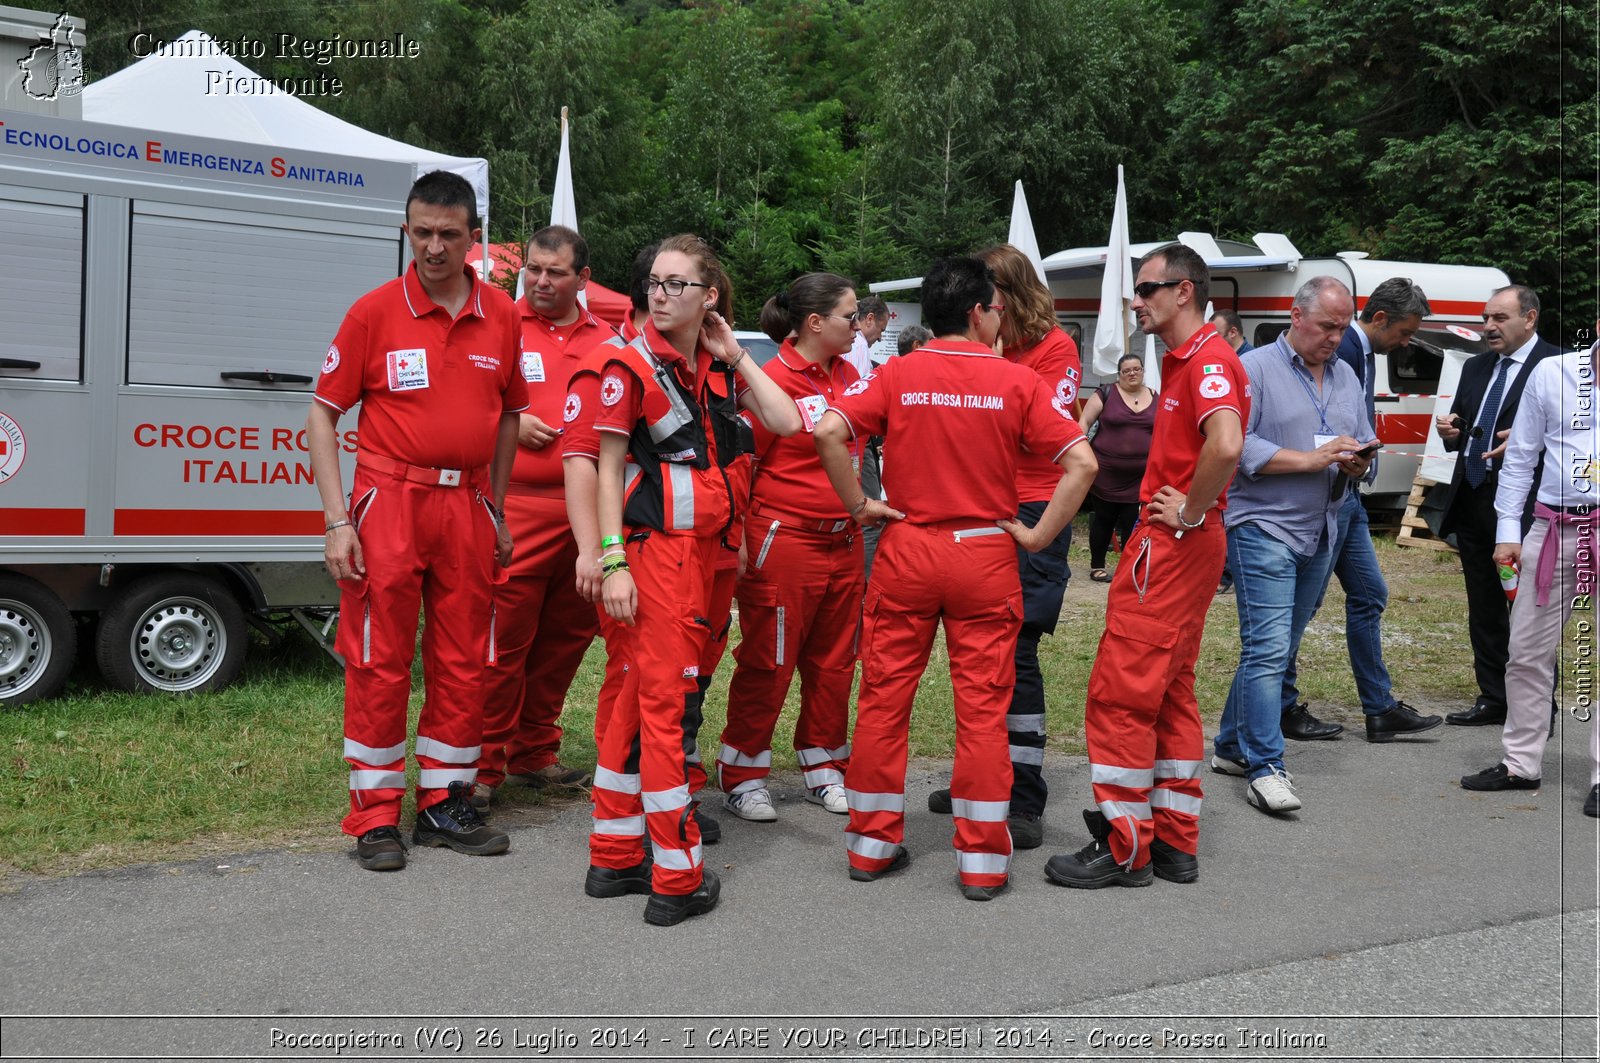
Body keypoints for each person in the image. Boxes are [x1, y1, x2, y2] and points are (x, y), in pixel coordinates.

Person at [814, 256, 1096, 901]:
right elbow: (1080, 462)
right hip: (984, 554)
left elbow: (831, 431)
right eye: (997, 308)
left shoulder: (899, 373)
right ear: (977, 312)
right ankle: (981, 862)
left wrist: (859, 505)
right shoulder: (1016, 381)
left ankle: (872, 844)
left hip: (908, 548)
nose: (1001, 318)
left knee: (884, 701)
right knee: (982, 709)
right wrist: (1038, 534)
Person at [307, 170, 526, 872]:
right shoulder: (374, 311)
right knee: (380, 659)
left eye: (449, 234)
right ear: (406, 230)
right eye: (422, 231)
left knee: (466, 659)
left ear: (473, 237)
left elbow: (512, 415)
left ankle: (442, 803)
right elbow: (322, 413)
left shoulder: (502, 314)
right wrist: (339, 520)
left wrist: (494, 505)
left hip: (465, 507)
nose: (434, 246)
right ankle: (374, 816)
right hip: (389, 504)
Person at [585, 234, 800, 926]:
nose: (660, 292)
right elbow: (604, 469)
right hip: (656, 557)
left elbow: (786, 422)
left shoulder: (712, 365)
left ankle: (614, 855)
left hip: (702, 557)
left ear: (710, 297)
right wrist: (612, 559)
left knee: (633, 703)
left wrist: (735, 351)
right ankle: (676, 878)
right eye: (655, 280)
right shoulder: (628, 364)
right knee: (662, 708)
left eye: (678, 283)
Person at [1044, 243, 1244, 889]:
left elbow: (1228, 442)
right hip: (1184, 545)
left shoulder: (1208, 358)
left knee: (1122, 694)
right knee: (1170, 692)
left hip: (1174, 544)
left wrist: (1189, 511)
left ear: (1183, 290)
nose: (1136, 299)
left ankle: (1125, 843)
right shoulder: (1188, 360)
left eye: (1147, 287)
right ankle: (1172, 841)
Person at [922, 244, 1085, 850]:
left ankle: (1023, 796)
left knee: (1015, 653)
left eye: (985, 300)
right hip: (979, 511)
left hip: (1035, 510)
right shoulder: (986, 350)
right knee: (973, 654)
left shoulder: (1053, 350)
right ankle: (979, 778)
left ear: (1005, 300)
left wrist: (983, 372)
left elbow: (1035, 431)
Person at [1209, 277, 1380, 815]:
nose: (1336, 336)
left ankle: (1231, 747)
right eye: (1328, 325)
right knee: (1268, 648)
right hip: (1263, 526)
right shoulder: (1253, 368)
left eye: (1343, 326)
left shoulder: (1348, 374)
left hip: (1324, 526)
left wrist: (1358, 459)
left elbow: (1362, 434)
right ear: (1296, 316)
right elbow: (1235, 444)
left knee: (1277, 644)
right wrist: (1309, 459)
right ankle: (1266, 765)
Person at [473, 226, 615, 810]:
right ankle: (482, 767)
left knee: (564, 642)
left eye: (555, 272)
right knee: (502, 644)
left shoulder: (608, 338)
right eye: (533, 269)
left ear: (582, 278)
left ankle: (534, 753)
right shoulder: (497, 324)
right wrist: (505, 420)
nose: (540, 281)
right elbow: (457, 407)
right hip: (518, 510)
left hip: (586, 515)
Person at [717, 273, 865, 821]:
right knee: (769, 660)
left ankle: (824, 766)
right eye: (851, 316)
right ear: (815, 323)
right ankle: (742, 773)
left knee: (834, 663)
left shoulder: (852, 375)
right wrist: (741, 538)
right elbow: (742, 464)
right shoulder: (770, 378)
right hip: (785, 540)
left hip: (844, 540)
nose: (859, 324)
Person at [1280, 278, 1443, 743]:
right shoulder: (1343, 349)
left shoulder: (1360, 352)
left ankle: (1379, 707)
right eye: (1405, 333)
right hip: (1327, 497)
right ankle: (1281, 706)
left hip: (1347, 496)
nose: (1407, 343)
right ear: (1379, 320)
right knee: (1302, 607)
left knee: (1370, 594)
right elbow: (1322, 426)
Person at [1460, 327, 1597, 813]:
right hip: (1552, 528)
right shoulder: (1554, 372)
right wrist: (1507, 533)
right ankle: (1521, 763)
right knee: (1525, 651)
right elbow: (1519, 457)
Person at [1435, 286, 1561, 727]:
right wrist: (1452, 432)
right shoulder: (1474, 367)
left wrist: (1531, 442)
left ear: (1529, 319)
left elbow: (1577, 438)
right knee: (1485, 605)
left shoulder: (1557, 367)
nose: (1488, 326)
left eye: (1500, 318)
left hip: (1527, 509)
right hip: (1473, 499)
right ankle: (1494, 697)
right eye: (1486, 317)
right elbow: (1465, 425)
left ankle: (1538, 702)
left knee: (1528, 610)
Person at [1078, 352, 1157, 583]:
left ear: (1143, 371)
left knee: (1133, 522)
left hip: (1140, 477)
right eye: (1127, 370)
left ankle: (1130, 566)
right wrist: (1078, 450)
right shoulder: (1106, 393)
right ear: (1119, 374)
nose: (1132, 373)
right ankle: (1097, 566)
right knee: (1104, 519)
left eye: (1137, 369)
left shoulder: (1155, 396)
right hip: (1106, 473)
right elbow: (1084, 422)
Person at [860, 324, 929, 580]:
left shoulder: (887, 373)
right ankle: (871, 580)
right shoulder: (896, 375)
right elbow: (829, 430)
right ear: (918, 347)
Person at [843, 295, 889, 377]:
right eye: (881, 330)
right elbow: (858, 387)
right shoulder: (859, 345)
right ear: (869, 319)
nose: (880, 338)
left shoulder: (845, 341)